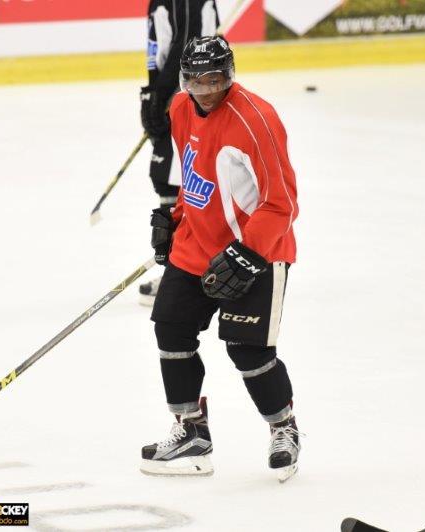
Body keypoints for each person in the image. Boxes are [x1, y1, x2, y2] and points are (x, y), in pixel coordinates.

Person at [140, 36, 301, 482]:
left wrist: (248, 253)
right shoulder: (179, 108)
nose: (207, 90)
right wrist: (174, 218)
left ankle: (284, 428)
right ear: (184, 81)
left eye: (215, 80)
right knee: (171, 328)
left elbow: (283, 202)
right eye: (197, 81)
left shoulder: (257, 119)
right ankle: (192, 431)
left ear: (229, 75)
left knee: (248, 350)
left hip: (258, 249)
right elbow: (196, 175)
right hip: (197, 245)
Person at [138, 0, 220, 306]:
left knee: (176, 183)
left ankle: (182, 275)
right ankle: (185, 271)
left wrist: (160, 97)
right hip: (176, 98)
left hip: (183, 100)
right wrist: (154, 94)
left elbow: (190, 50)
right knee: (169, 182)